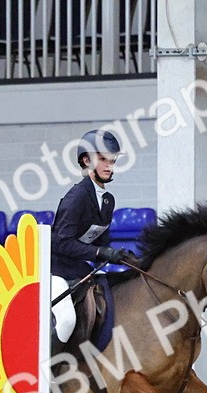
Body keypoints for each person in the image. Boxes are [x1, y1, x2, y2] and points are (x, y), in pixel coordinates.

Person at [50, 129, 139, 350]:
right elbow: (63, 243)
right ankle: (46, 366)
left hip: (78, 269)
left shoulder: (108, 200)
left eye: (112, 160)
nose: (109, 166)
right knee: (67, 320)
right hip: (54, 270)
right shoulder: (76, 197)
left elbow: (100, 242)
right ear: (86, 161)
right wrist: (100, 253)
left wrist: (120, 257)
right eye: (102, 160)